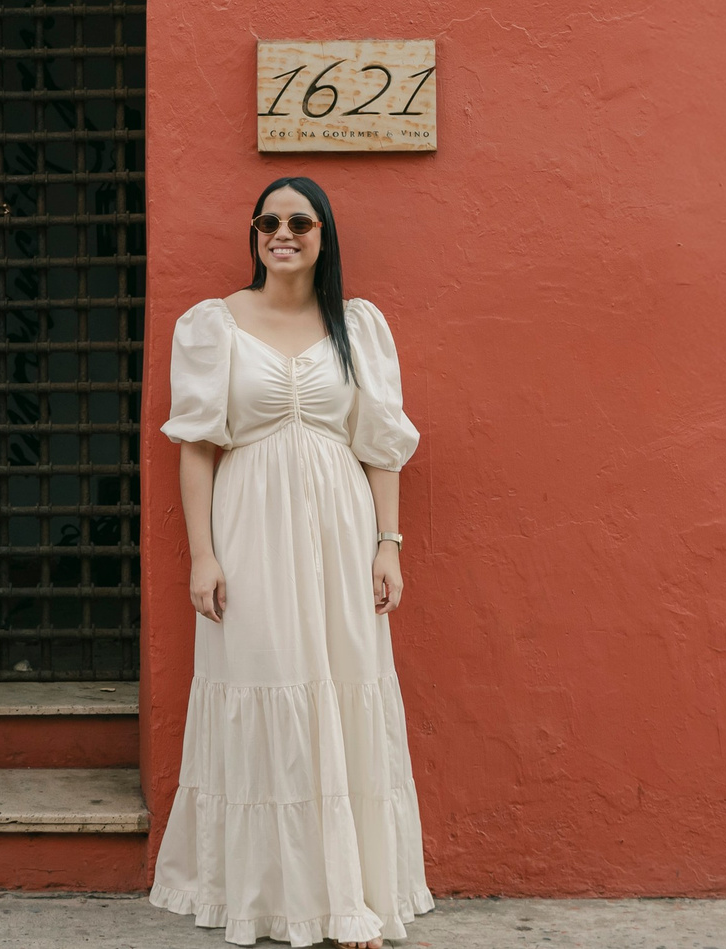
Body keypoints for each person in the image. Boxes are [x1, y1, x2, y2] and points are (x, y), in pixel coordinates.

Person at [149, 176, 432, 948]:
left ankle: (348, 899)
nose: (283, 232)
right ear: (254, 233)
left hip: (340, 533)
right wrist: (203, 553)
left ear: (322, 233)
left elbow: (381, 444)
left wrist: (388, 543)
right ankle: (271, 894)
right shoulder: (214, 324)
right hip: (250, 531)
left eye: (299, 221)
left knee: (340, 690)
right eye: (269, 221)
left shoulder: (357, 325)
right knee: (265, 682)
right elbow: (199, 446)